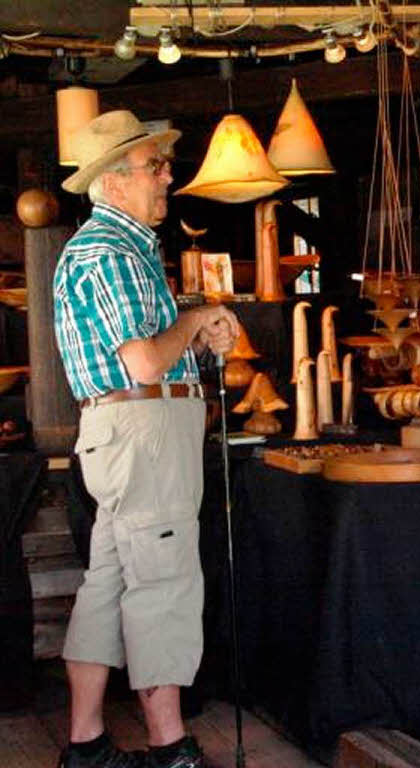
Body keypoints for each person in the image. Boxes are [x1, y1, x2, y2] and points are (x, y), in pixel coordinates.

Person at [53, 110, 241, 768]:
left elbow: (153, 352)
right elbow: (142, 361)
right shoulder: (109, 250)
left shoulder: (122, 249)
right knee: (163, 583)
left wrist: (197, 330)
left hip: (132, 435)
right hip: (144, 434)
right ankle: (172, 750)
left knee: (108, 584)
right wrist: (194, 322)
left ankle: (86, 745)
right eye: (151, 166)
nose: (167, 175)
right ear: (111, 184)